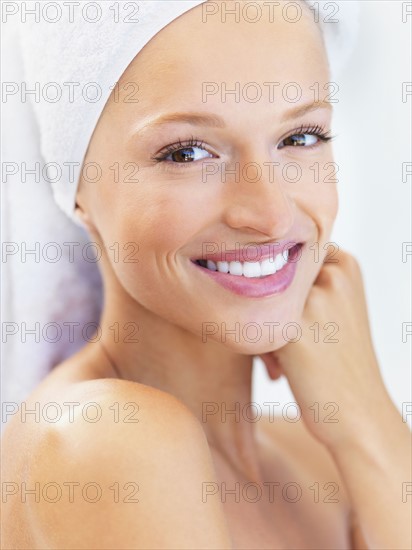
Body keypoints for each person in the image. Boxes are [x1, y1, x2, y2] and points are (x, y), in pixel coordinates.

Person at [2, 1, 410, 548]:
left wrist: (366, 419)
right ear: (75, 184)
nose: (269, 215)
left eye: (300, 137)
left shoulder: (318, 461)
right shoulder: (105, 439)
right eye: (188, 152)